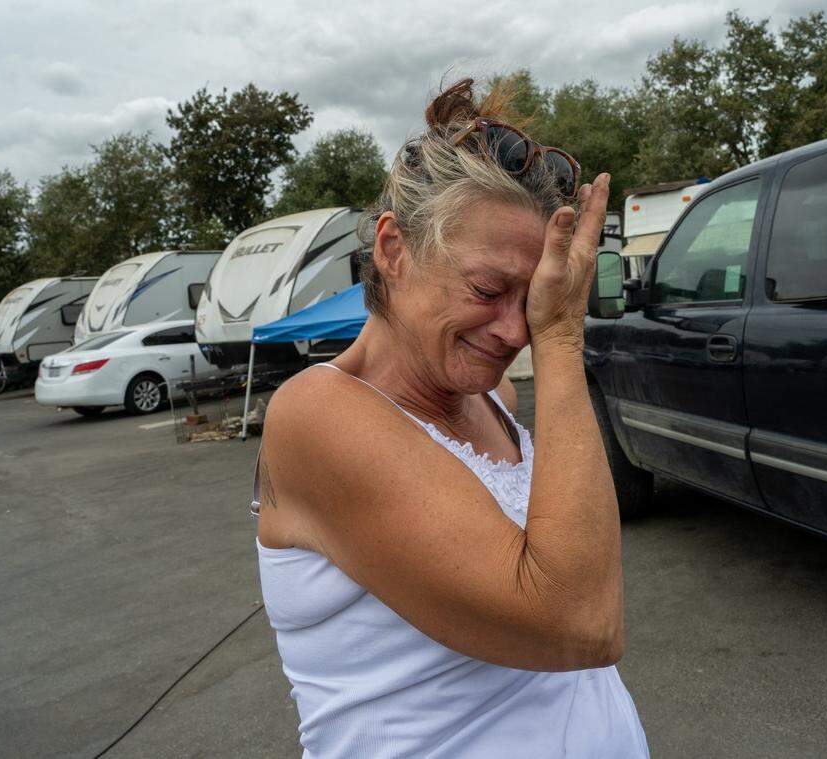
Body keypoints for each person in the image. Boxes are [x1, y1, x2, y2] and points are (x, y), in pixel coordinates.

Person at [252, 78, 648, 758]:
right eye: (488, 289)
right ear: (392, 249)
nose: (515, 328)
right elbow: (578, 622)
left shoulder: (495, 401)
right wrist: (560, 338)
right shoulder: (317, 414)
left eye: (533, 298)